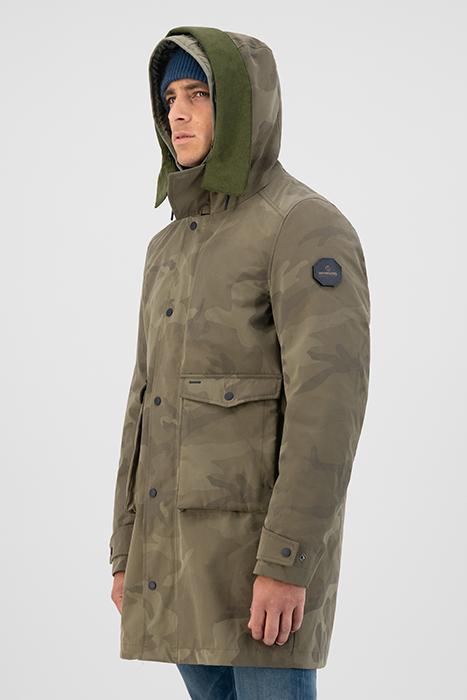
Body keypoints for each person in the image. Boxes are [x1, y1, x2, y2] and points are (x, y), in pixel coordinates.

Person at [109, 26, 370, 700]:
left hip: (262, 568)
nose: (178, 113)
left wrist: (288, 559)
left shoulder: (301, 225)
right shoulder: (167, 247)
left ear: (244, 105)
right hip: (177, 558)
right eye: (169, 98)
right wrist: (127, 546)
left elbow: (328, 409)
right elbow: (145, 404)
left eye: (198, 94)